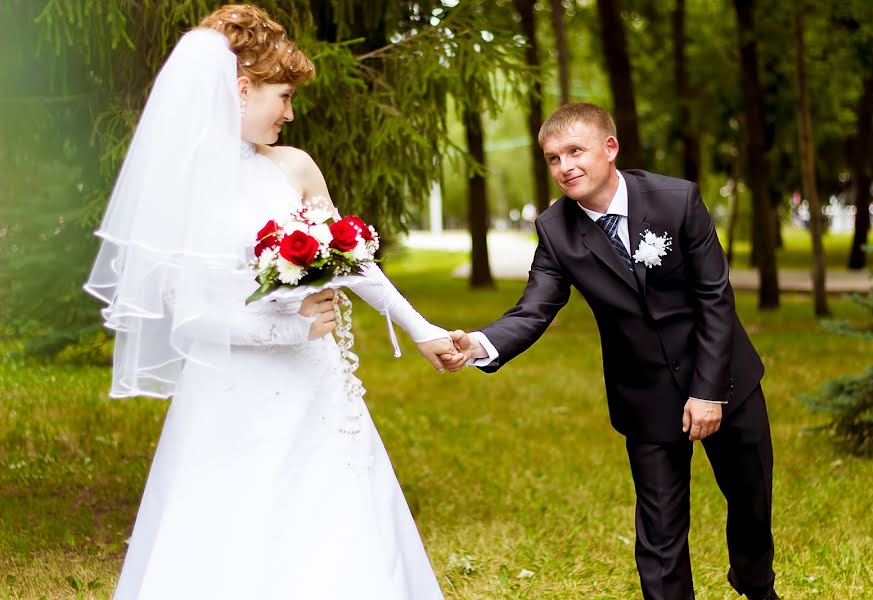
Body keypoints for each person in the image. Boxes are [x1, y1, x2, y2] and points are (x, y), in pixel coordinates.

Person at [84, 5, 462, 598]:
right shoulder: (187, 186)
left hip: (316, 383)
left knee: (337, 513)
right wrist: (293, 332)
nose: (289, 112)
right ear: (240, 88)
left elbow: (354, 261)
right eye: (282, 96)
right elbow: (191, 317)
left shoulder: (294, 166)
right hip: (233, 388)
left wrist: (422, 329)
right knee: (233, 528)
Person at [446, 103, 779, 600]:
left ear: (610, 148)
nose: (565, 167)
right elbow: (535, 307)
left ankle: (755, 583)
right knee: (661, 534)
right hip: (644, 394)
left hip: (725, 379)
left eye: (574, 151)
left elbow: (715, 298)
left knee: (752, 504)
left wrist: (708, 392)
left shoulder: (677, 200)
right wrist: (477, 344)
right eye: (553, 158)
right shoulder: (556, 230)